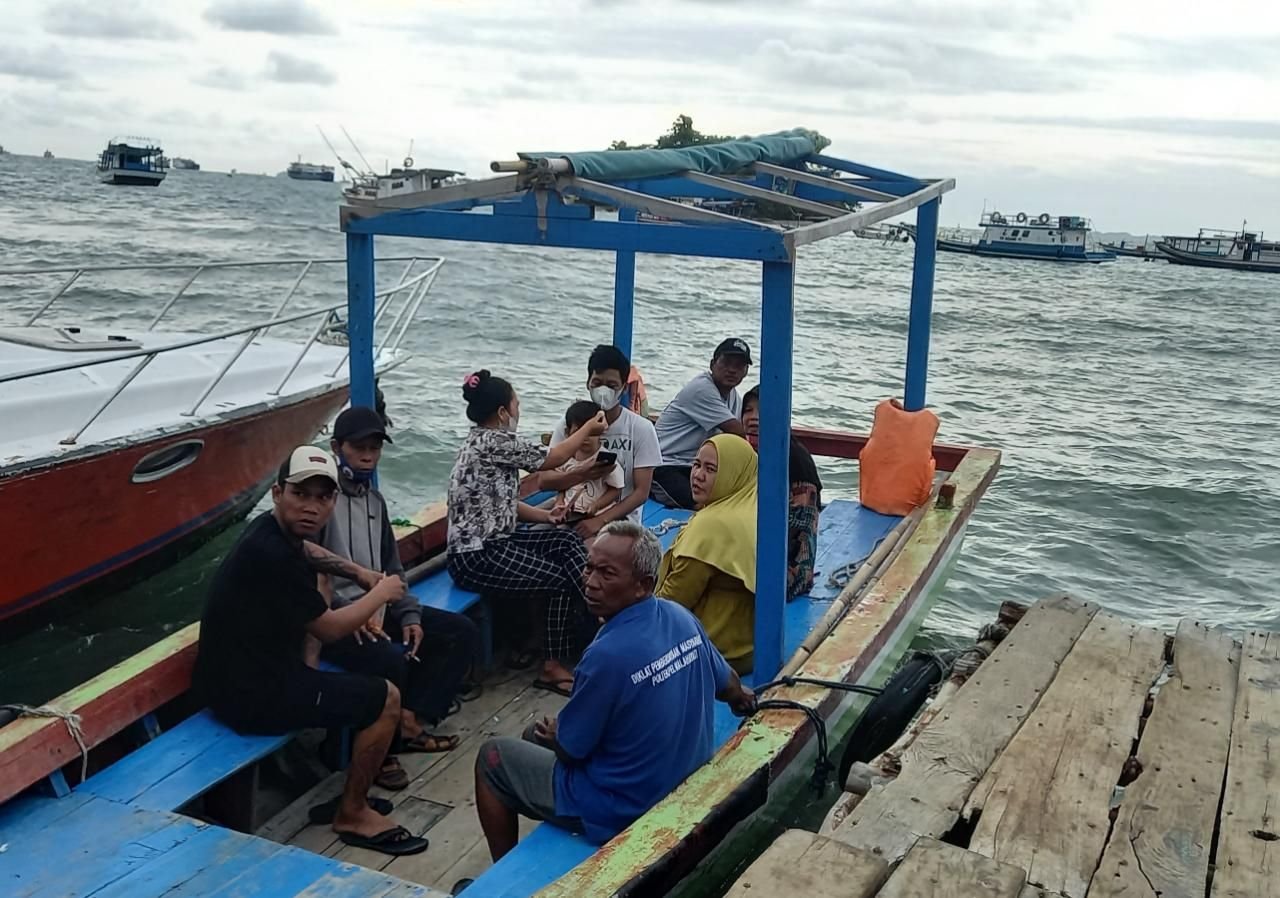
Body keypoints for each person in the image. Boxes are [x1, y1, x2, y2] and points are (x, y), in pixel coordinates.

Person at [193, 446, 428, 857]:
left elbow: (310, 553)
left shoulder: (270, 532)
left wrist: (353, 570)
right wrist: (381, 591)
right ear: (277, 493)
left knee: (362, 670)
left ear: (333, 501)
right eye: (301, 494)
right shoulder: (271, 555)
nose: (311, 508)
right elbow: (333, 629)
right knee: (386, 698)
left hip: (240, 678)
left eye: (323, 497)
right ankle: (352, 811)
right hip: (250, 697)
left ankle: (348, 794)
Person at [474, 521, 756, 859]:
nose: (590, 582)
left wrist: (556, 737)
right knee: (531, 738)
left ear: (643, 585)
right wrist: (745, 701)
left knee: (492, 758)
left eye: (606, 574)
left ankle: (501, 873)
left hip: (624, 805)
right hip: (681, 774)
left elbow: (571, 750)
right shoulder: (679, 616)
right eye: (588, 567)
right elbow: (729, 687)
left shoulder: (605, 656)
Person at [315, 406, 480, 774]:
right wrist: (357, 613)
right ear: (336, 447)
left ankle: (408, 721)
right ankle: (376, 750)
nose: (368, 455)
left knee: (459, 633)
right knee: (388, 658)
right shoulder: (322, 502)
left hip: (379, 609)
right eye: (359, 446)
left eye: (375, 447)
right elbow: (316, 579)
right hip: (336, 617)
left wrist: (408, 613)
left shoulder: (375, 501)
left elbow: (393, 569)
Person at [446, 369, 608, 697]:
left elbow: (505, 504)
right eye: (516, 405)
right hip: (476, 554)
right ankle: (556, 661)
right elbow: (553, 458)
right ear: (502, 412)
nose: (518, 412)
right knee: (557, 579)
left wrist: (549, 517)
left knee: (564, 539)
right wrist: (590, 427)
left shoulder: (483, 445)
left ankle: (597, 612)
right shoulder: (493, 441)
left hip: (498, 538)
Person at [655, 434, 758, 673]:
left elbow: (671, 603)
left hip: (706, 653)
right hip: (746, 649)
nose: (698, 475)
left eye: (711, 469)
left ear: (733, 474)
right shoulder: (752, 509)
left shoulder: (711, 526)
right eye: (696, 464)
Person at [544, 344, 662, 539]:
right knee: (532, 533)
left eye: (612, 385)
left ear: (624, 388)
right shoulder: (569, 425)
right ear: (587, 383)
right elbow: (550, 475)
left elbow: (641, 492)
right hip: (571, 507)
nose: (603, 390)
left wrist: (600, 520)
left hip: (619, 517)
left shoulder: (640, 428)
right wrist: (559, 502)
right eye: (597, 383)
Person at [741, 386, 824, 599]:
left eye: (762, 411)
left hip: (786, 570)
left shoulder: (795, 459)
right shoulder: (750, 452)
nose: (752, 418)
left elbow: (797, 528)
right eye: (748, 410)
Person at [651, 338, 751, 509]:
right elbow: (737, 433)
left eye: (739, 366)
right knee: (703, 504)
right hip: (663, 465)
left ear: (746, 372)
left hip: (693, 467)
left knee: (732, 500)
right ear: (712, 364)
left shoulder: (734, 397)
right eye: (726, 363)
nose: (732, 370)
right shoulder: (701, 389)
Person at [552, 400, 625, 520]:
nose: (585, 437)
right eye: (579, 433)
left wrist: (597, 505)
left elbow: (616, 489)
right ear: (567, 433)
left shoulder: (605, 460)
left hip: (597, 514)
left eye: (591, 433)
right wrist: (559, 501)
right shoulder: (565, 458)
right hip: (568, 512)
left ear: (601, 432)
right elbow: (561, 485)